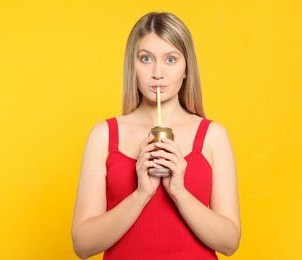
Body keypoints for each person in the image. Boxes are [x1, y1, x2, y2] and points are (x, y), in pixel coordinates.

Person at [72, 12, 241, 259]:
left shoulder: (213, 136)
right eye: (146, 58)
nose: (157, 73)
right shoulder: (104, 136)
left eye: (171, 59)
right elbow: (83, 246)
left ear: (186, 69)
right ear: (133, 65)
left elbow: (229, 243)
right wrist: (141, 194)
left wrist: (179, 192)